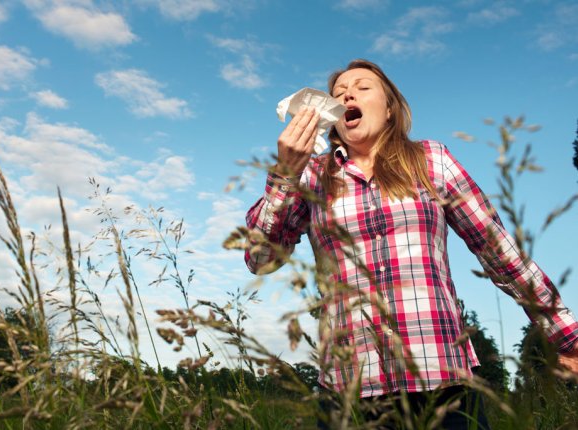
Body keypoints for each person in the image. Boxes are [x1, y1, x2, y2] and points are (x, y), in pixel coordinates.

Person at [244, 59, 578, 428]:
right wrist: (286, 173)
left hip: (442, 381)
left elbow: (498, 252)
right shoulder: (312, 175)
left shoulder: (431, 161)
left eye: (362, 87)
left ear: (389, 109)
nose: (347, 93)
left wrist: (564, 334)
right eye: (339, 93)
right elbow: (260, 258)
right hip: (350, 391)